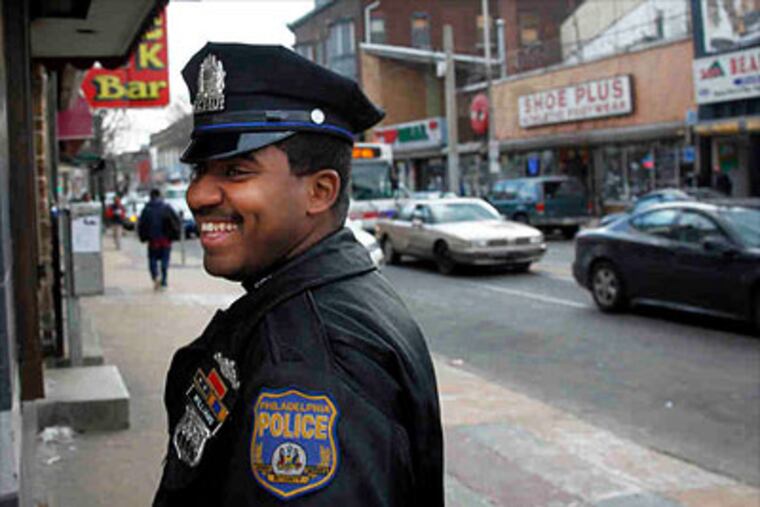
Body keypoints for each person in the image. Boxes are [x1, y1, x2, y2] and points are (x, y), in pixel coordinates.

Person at [153, 44, 443, 506]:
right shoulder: (325, 297)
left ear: (320, 191)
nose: (198, 195)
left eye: (235, 171)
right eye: (201, 171)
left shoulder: (308, 362)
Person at [138, 188, 181, 290]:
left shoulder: (147, 209)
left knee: (152, 259)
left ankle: (155, 276)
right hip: (165, 240)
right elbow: (175, 221)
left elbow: (142, 225)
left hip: (153, 241)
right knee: (165, 260)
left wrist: (143, 237)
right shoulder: (166, 208)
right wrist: (174, 235)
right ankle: (164, 281)